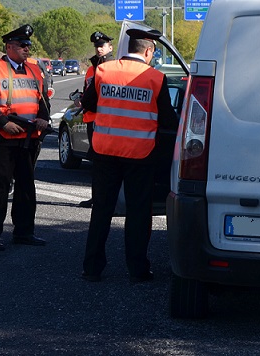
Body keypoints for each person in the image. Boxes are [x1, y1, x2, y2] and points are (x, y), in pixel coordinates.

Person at [80, 28, 179, 282]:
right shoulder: (155, 78)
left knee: (101, 210)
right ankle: (137, 269)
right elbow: (168, 118)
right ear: (148, 51)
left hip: (105, 151)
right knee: (138, 213)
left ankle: (92, 268)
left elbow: (89, 104)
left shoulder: (103, 71)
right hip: (140, 154)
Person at [0, 24, 50, 251]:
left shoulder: (36, 69)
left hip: (29, 136)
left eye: (28, 45)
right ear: (9, 47)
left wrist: (44, 119)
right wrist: (3, 123)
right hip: (3, 136)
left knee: (27, 186)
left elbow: (42, 99)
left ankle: (25, 232)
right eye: (22, 45)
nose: (27, 48)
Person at [77, 31, 115, 209]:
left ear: (110, 47)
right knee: (96, 162)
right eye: (97, 46)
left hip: (105, 119)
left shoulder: (112, 66)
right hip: (91, 118)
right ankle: (96, 197)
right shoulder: (92, 67)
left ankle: (105, 198)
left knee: (105, 163)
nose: (99, 49)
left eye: (102, 45)